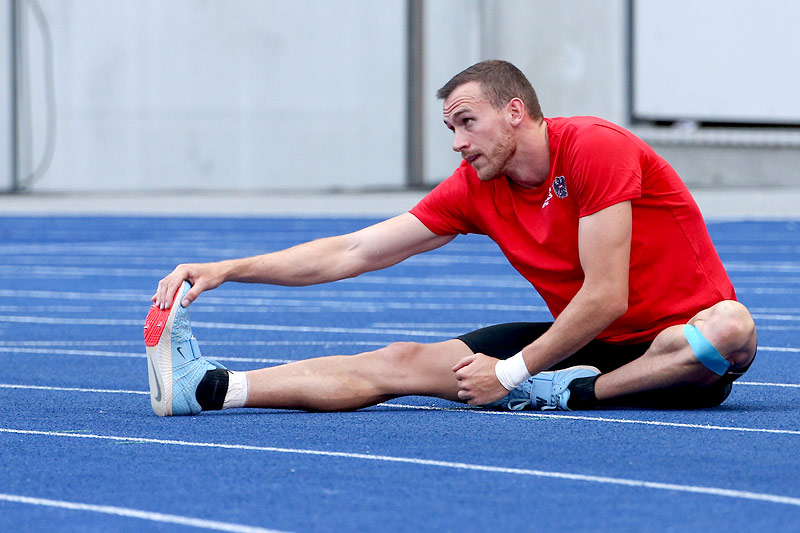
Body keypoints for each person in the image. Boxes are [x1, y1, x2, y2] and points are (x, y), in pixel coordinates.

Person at [145, 60, 757, 417]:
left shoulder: (595, 148)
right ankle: (213, 388)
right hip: (580, 345)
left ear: (514, 112)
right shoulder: (475, 186)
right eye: (450, 129)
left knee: (730, 329)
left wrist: (511, 374)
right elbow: (352, 252)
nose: (458, 142)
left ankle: (573, 393)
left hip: (676, 354)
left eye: (467, 122)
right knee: (397, 362)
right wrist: (228, 268)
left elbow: (606, 296)